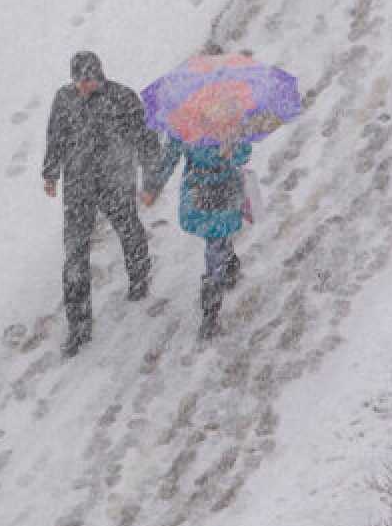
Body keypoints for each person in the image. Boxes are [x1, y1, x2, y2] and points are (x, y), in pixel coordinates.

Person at [42, 51, 161, 357]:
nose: (85, 86)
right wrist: (51, 172)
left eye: (90, 80)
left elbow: (146, 140)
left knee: (129, 229)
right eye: (79, 81)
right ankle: (79, 326)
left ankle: (139, 277)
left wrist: (150, 181)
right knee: (75, 255)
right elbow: (55, 136)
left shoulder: (122, 98)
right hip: (78, 186)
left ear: (100, 75)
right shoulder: (64, 99)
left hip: (115, 181)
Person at [141, 131, 253, 340]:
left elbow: (244, 153)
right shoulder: (188, 121)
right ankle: (226, 268)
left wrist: (232, 151)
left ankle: (210, 312)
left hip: (217, 190)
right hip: (206, 191)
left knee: (215, 244)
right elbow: (170, 154)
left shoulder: (224, 121)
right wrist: (152, 186)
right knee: (216, 241)